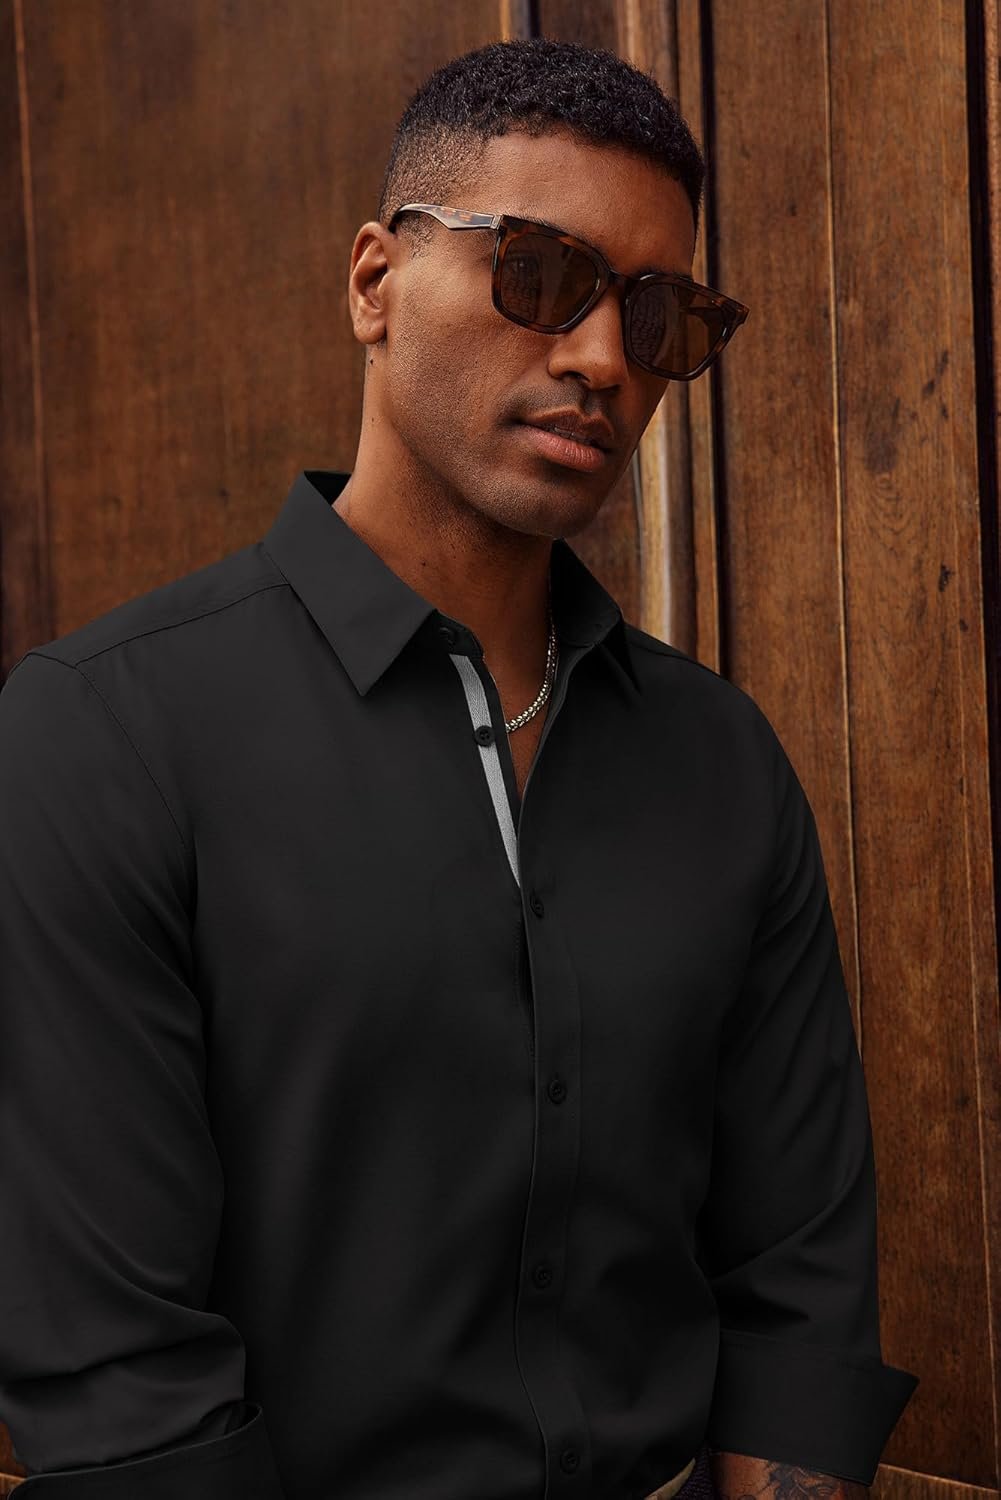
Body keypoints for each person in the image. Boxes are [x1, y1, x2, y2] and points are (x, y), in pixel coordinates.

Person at [0, 35, 918, 1500]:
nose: (603, 359)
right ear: (375, 282)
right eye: (538, 275)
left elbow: (797, 1296)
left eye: (656, 314)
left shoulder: (722, 764)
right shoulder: (100, 733)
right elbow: (122, 1383)